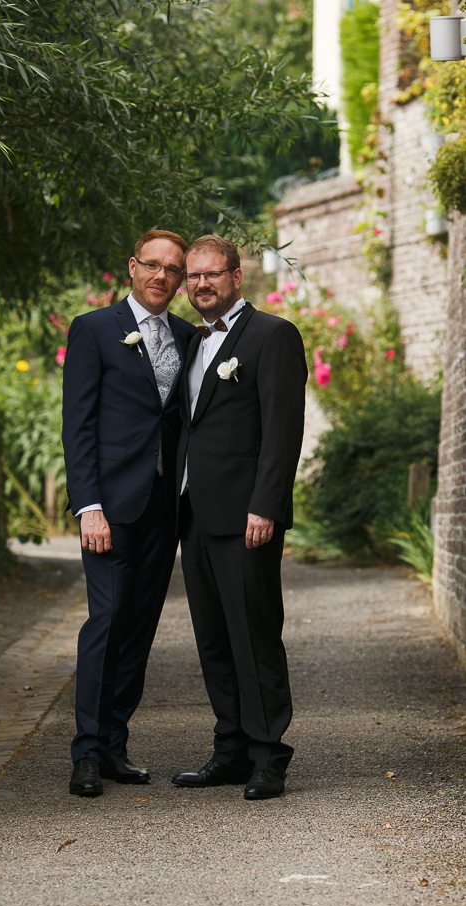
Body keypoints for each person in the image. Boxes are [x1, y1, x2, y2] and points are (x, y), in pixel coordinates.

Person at [62, 229, 197, 796]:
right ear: (133, 268)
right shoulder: (94, 329)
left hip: (165, 509)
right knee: (106, 622)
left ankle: (115, 746)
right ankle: (86, 754)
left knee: (139, 629)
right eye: (153, 265)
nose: (163, 276)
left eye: (174, 269)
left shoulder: (191, 337)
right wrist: (88, 505)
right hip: (111, 508)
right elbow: (79, 425)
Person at [172, 235, 307, 800]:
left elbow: (282, 430)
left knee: (254, 636)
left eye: (212, 275)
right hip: (194, 515)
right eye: (193, 277)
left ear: (236, 277)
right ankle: (228, 749)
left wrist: (265, 506)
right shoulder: (191, 343)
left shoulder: (273, 336)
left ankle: (268, 755)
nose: (202, 284)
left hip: (246, 515)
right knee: (213, 639)